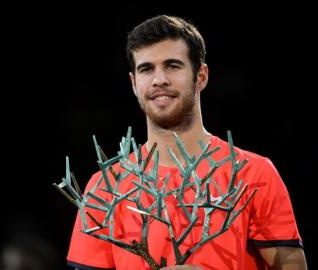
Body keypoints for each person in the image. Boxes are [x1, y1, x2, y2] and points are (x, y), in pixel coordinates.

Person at [66, 15, 307, 269]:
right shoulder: (105, 188)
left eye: (172, 65)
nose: (160, 80)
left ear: (201, 76)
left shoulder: (254, 174)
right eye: (147, 69)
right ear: (134, 83)